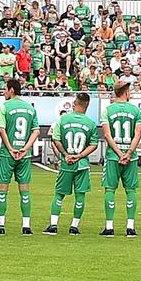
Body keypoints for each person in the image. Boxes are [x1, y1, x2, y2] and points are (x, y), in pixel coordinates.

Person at [46, 92, 97, 235]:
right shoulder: (91, 124)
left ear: (75, 103)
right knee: (80, 195)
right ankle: (74, 227)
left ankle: (53, 225)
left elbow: (56, 139)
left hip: (66, 163)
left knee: (59, 194)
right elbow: (93, 144)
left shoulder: (63, 120)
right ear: (87, 106)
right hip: (82, 164)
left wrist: (66, 154)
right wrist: (80, 155)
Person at [0, 78, 39, 235]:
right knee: (25, 190)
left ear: (12, 90)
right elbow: (36, 131)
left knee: (2, 190)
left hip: (8, 154)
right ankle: (26, 226)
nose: (3, 92)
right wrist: (25, 148)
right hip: (24, 156)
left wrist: (11, 148)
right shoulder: (30, 108)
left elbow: (1, 130)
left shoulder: (5, 107)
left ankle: (1, 225)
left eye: (5, 89)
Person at [99, 81, 141, 236]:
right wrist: (129, 152)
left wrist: (119, 153)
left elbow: (107, 135)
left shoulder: (107, 110)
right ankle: (130, 227)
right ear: (125, 92)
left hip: (113, 156)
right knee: (130, 190)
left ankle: (109, 226)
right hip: (130, 157)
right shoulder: (136, 111)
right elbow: (138, 134)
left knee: (110, 189)